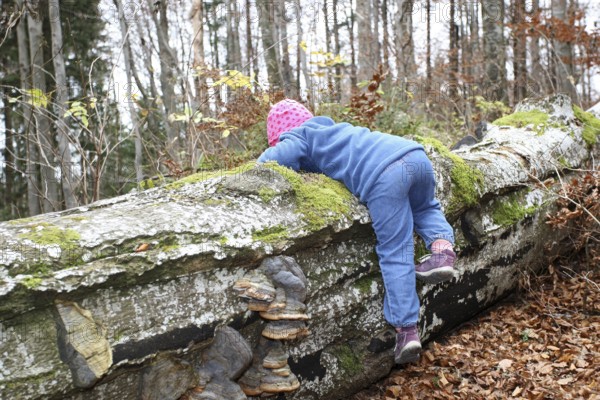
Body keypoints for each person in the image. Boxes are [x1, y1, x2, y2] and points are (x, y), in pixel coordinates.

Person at [257, 99, 457, 364]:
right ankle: (443, 252)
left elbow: (275, 160)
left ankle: (407, 330)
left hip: (384, 177)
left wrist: (256, 164)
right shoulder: (334, 129)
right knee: (426, 208)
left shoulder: (299, 135)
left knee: (395, 249)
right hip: (416, 156)